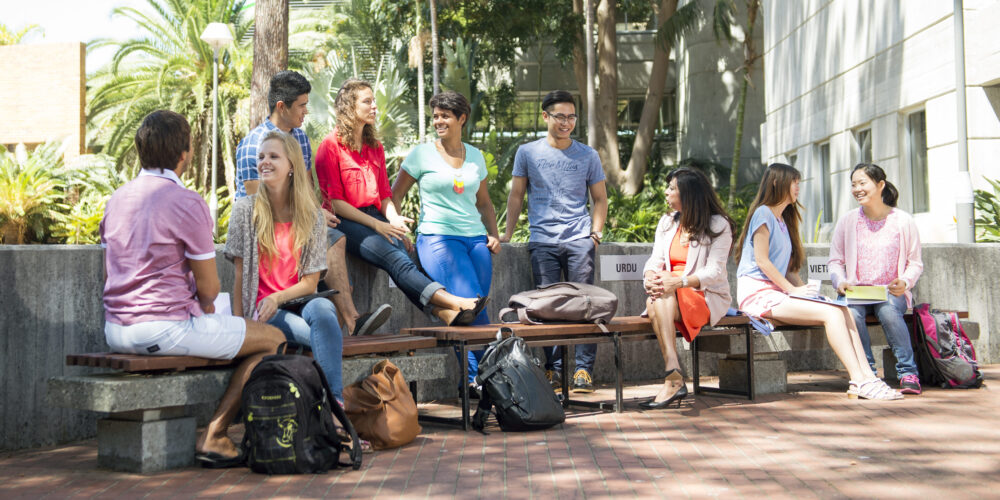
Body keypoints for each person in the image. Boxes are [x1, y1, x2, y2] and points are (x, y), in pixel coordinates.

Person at [100, 110, 284, 468]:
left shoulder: (117, 199)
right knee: (273, 338)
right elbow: (210, 288)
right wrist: (207, 304)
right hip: (163, 329)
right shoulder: (187, 202)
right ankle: (215, 435)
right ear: (185, 154)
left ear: (141, 150)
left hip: (115, 330)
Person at [315, 78, 487, 325]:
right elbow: (336, 203)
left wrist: (394, 221)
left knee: (404, 261)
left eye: (374, 101)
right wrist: (379, 226)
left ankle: (444, 314)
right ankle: (456, 302)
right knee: (397, 260)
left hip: (375, 217)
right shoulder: (330, 146)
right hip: (344, 221)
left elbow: (385, 195)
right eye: (367, 101)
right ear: (349, 107)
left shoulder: (375, 147)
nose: (374, 106)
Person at [235, 70, 391, 337]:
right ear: (282, 107)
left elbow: (306, 189)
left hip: (299, 220)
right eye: (302, 106)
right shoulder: (254, 143)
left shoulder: (301, 139)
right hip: (266, 228)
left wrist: (317, 213)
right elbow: (258, 200)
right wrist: (310, 217)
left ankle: (341, 327)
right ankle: (352, 320)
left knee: (335, 237)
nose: (306, 112)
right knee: (329, 240)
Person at [734, 163, 902, 400]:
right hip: (757, 294)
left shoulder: (783, 220)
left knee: (843, 310)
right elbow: (762, 262)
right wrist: (792, 290)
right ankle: (857, 378)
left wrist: (803, 291)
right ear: (776, 182)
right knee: (831, 314)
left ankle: (867, 377)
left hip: (778, 293)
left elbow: (789, 269)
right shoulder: (763, 213)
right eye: (795, 182)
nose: (798, 188)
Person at [391, 90, 501, 392]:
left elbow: (485, 203)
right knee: (470, 303)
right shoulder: (421, 154)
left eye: (445, 116)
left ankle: (478, 381)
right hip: (438, 238)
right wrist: (400, 230)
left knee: (474, 309)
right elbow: (395, 194)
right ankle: (494, 375)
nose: (439, 121)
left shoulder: (475, 156)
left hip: (476, 240)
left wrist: (494, 234)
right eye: (436, 115)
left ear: (461, 119)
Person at [225, 130, 346, 402]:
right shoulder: (245, 210)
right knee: (325, 334)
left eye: (273, 156)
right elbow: (239, 275)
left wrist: (277, 297)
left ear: (291, 166)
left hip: (296, 301)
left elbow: (311, 284)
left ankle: (334, 404)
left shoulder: (312, 216)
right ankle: (332, 408)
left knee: (324, 308)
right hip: (262, 311)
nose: (264, 162)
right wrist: (240, 325)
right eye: (261, 156)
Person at [501, 90, 608, 393]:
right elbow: (517, 196)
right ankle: (555, 370)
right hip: (543, 241)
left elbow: (600, 199)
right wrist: (507, 233)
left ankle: (584, 371)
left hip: (579, 240)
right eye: (560, 116)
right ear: (545, 116)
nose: (566, 122)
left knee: (585, 305)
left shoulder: (588, 154)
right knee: (547, 307)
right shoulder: (528, 153)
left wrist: (595, 234)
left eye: (571, 116)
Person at [640, 168, 735, 409]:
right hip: (668, 291)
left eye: (672, 188)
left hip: (704, 295)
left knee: (657, 299)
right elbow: (655, 260)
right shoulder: (667, 222)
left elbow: (714, 272)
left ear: (689, 194)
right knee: (659, 295)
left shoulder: (718, 224)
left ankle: (673, 378)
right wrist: (650, 276)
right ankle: (673, 373)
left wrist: (679, 282)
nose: (666, 192)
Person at [829, 163, 924, 394]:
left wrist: (905, 282)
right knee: (849, 313)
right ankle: (866, 372)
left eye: (863, 183)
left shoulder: (903, 220)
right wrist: (840, 282)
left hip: (890, 293)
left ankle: (908, 372)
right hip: (856, 293)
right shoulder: (847, 221)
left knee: (889, 311)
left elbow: (915, 263)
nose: (857, 189)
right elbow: (835, 261)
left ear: (880, 185)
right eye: (854, 184)